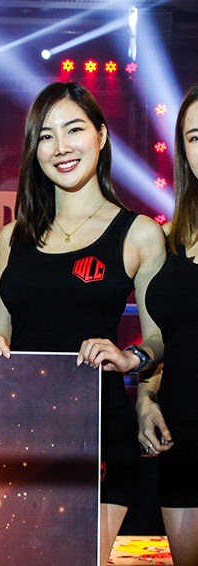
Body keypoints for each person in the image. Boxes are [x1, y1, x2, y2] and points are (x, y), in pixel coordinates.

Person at [0, 82, 165, 566]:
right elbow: (0, 332)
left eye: (74, 130)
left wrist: (132, 358)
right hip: (17, 432)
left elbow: (159, 336)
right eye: (46, 136)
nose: (61, 147)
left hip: (98, 432)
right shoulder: (12, 237)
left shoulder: (139, 234)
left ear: (101, 136)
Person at [138, 84, 198, 566]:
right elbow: (165, 337)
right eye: (195, 137)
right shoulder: (171, 239)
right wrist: (145, 397)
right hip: (182, 437)